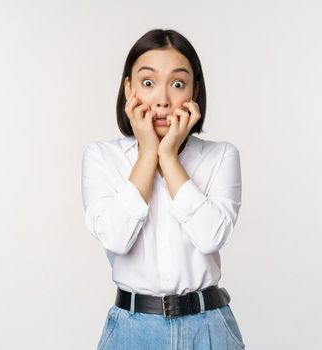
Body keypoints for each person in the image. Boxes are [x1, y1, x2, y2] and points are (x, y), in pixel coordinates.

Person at [81, 29, 246, 349]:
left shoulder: (221, 155)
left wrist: (168, 156)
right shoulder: (102, 157)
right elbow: (115, 238)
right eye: (147, 82)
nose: (162, 99)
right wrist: (147, 154)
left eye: (178, 83)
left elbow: (212, 236)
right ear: (128, 88)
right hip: (132, 330)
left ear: (194, 91)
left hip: (208, 327)